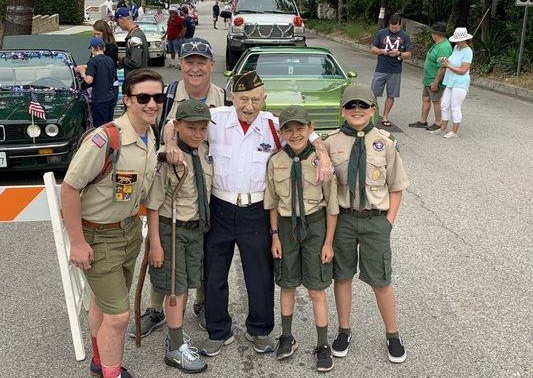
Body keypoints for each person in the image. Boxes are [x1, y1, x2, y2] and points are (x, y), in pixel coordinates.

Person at [163, 71, 333, 358]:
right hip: (220, 207)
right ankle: (218, 330)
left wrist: (323, 154)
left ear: (263, 98)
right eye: (243, 99)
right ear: (233, 98)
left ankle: (260, 330)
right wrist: (169, 143)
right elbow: (173, 122)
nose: (249, 105)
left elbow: (311, 135)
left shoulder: (273, 125)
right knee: (215, 271)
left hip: (256, 209)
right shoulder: (215, 118)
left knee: (260, 273)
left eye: (255, 99)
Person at [61, 69, 164, 378]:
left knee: (103, 303)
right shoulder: (105, 138)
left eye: (157, 97)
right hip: (98, 237)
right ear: (127, 100)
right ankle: (111, 373)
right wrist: (78, 242)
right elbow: (70, 189)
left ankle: (98, 359)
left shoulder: (150, 134)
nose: (151, 104)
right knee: (118, 317)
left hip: (129, 231)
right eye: (143, 98)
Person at [128, 38, 225, 339]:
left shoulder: (225, 97)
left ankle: (201, 303)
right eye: (189, 62)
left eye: (201, 62)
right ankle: (158, 307)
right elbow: (157, 127)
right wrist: (169, 145)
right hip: (175, 179)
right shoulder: (169, 95)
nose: (195, 68)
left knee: (204, 250)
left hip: (213, 182)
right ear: (180, 64)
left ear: (211, 65)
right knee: (167, 248)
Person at [324, 84, 409, 364]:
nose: (357, 110)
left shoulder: (385, 143)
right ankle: (344, 329)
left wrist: (389, 222)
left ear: (373, 110)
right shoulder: (330, 143)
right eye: (351, 106)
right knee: (343, 276)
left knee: (381, 280)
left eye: (363, 105)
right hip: (345, 220)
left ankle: (393, 334)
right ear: (343, 111)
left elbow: (396, 186)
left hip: (375, 221)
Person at [264, 106, 339, 372]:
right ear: (281, 132)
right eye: (288, 129)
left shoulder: (322, 162)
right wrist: (274, 237)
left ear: (310, 128)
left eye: (300, 128)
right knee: (287, 284)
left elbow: (332, 206)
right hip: (285, 229)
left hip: (315, 227)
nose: (294, 134)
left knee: (317, 288)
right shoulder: (275, 161)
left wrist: (329, 242)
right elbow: (272, 202)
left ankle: (322, 344)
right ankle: (287, 336)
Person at [145, 99, 214, 374]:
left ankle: (175, 334)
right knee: (176, 289)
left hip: (195, 230)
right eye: (191, 128)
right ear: (178, 126)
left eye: (203, 128)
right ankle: (175, 350)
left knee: (186, 284)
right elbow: (152, 204)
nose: (197, 134)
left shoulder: (204, 151)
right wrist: (155, 245)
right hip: (171, 230)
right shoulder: (167, 157)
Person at [408, 22, 452, 131]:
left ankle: (438, 122)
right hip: (428, 79)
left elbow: (442, 67)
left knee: (436, 101)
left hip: (434, 80)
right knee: (426, 98)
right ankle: (423, 120)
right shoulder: (437, 44)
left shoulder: (444, 47)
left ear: (435, 34)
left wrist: (436, 82)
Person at [370, 13, 412, 127]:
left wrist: (399, 53)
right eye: (392, 27)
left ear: (400, 25)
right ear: (389, 24)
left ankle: (385, 117)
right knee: (373, 94)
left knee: (391, 95)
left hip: (395, 70)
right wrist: (382, 51)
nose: (394, 29)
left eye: (396, 27)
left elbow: (408, 55)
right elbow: (373, 49)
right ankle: (371, 115)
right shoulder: (381, 33)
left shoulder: (405, 36)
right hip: (381, 69)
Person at [434, 27, 474, 138]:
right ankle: (443, 128)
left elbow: (463, 70)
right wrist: (446, 61)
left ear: (463, 39)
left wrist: (448, 66)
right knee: (444, 105)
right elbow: (453, 62)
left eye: (458, 39)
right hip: (451, 81)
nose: (456, 41)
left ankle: (454, 131)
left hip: (460, 82)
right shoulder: (456, 47)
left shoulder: (468, 51)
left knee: (455, 106)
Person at [77, 38, 116, 127]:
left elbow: (88, 80)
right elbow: (111, 77)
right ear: (104, 48)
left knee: (100, 128)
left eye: (91, 48)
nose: (91, 51)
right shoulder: (109, 60)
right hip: (110, 97)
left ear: (95, 48)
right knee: (109, 125)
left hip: (99, 99)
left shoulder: (93, 61)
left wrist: (82, 72)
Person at [92, 19, 120, 108]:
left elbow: (105, 67)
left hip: (108, 86)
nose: (96, 36)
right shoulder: (96, 46)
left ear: (105, 33)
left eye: (98, 34)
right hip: (99, 86)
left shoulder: (111, 48)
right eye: (94, 34)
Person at [115, 7, 148, 77]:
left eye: (117, 22)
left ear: (122, 20)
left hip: (136, 79)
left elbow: (136, 63)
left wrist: (123, 60)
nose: (118, 25)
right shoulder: (139, 33)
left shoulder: (135, 38)